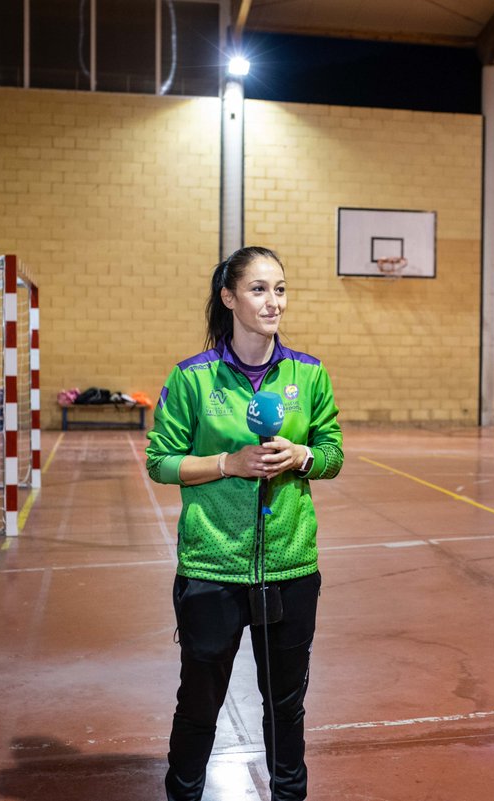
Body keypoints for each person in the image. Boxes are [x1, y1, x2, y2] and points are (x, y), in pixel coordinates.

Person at [146, 245, 343, 801]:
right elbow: (160, 461)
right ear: (229, 298)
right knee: (200, 703)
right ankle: (184, 793)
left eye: (280, 288)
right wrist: (227, 464)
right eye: (259, 289)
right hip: (213, 568)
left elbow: (333, 454)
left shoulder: (308, 375)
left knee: (286, 705)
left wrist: (303, 457)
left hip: (291, 566)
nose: (273, 300)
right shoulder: (193, 379)